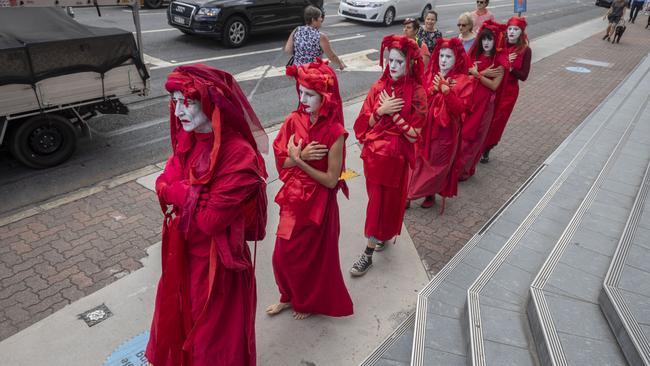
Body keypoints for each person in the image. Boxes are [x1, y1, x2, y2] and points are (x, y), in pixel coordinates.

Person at [145, 64, 269, 366]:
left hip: (216, 268)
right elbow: (161, 180)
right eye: (175, 102)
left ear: (211, 101)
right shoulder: (189, 140)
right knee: (180, 326)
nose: (178, 112)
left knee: (212, 343)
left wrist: (176, 191)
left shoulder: (238, 154)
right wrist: (192, 192)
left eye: (187, 101)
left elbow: (210, 220)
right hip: (183, 255)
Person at [266, 59, 353, 320]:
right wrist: (298, 156)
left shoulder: (336, 132)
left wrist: (299, 159)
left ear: (325, 97)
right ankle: (287, 295)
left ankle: (306, 301)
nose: (303, 98)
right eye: (300, 92)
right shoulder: (293, 120)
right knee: (282, 255)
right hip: (293, 199)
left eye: (310, 94)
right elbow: (282, 161)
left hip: (318, 205)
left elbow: (330, 180)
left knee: (310, 259)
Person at [349, 35, 427, 276]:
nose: (392, 65)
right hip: (374, 158)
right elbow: (361, 127)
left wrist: (394, 116)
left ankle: (373, 246)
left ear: (409, 63)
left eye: (398, 61)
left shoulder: (417, 93)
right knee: (376, 203)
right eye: (390, 60)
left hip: (396, 159)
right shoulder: (378, 88)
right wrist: (380, 110)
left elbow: (414, 135)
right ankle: (373, 245)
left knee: (388, 204)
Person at [408, 37, 473, 210]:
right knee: (417, 159)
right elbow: (419, 100)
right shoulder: (429, 75)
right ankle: (408, 194)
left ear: (457, 59)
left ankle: (429, 193)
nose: (443, 60)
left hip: (445, 131)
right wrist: (432, 90)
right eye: (441, 56)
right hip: (424, 126)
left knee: (436, 164)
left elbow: (460, 109)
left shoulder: (463, 81)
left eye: (448, 57)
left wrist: (446, 91)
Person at [456, 20, 506, 181]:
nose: (486, 43)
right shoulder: (474, 55)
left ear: (496, 41)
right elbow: (463, 76)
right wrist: (480, 73)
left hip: (484, 104)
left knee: (473, 137)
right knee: (461, 134)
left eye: (490, 39)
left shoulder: (500, 62)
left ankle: (463, 170)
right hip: (469, 100)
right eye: (484, 39)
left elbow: (494, 85)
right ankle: (455, 168)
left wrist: (477, 74)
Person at [482, 16, 532, 163]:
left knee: (497, 121)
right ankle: (477, 145)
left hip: (508, 91)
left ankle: (487, 148)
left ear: (521, 32)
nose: (511, 32)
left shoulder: (525, 50)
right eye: (510, 29)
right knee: (485, 117)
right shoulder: (499, 45)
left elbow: (524, 76)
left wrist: (510, 68)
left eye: (515, 29)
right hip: (492, 87)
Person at [285, 6, 346, 70]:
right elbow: (331, 56)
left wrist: (301, 54)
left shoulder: (297, 30)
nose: (321, 19)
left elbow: (288, 50)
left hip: (299, 71)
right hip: (313, 72)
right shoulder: (320, 36)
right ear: (313, 19)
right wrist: (340, 64)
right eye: (320, 17)